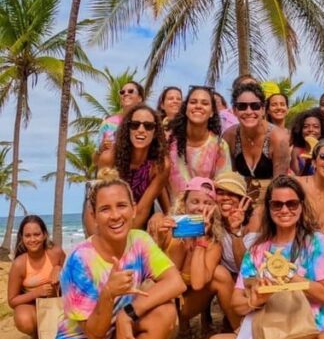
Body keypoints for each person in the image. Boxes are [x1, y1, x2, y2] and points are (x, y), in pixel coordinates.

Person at [25, 170, 185, 339]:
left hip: (115, 335)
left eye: (121, 206)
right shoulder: (80, 260)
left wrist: (127, 314)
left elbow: (175, 283)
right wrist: (108, 294)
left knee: (165, 313)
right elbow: (94, 334)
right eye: (105, 209)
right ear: (94, 217)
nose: (115, 216)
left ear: (133, 209)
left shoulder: (139, 241)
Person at [206, 176, 324, 339]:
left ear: (301, 207)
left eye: (291, 203)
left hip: (310, 332)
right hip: (269, 335)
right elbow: (236, 303)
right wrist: (254, 301)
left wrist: (291, 278)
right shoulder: (257, 250)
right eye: (277, 204)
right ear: (269, 208)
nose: (285, 210)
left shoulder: (316, 242)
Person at [151, 177, 225, 338]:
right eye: (195, 201)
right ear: (184, 204)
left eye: (208, 203)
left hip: (189, 306)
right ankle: (178, 325)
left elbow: (198, 284)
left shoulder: (213, 243)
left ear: (214, 208)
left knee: (219, 274)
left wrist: (200, 242)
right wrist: (159, 237)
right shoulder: (169, 230)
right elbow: (158, 277)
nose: (201, 207)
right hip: (165, 302)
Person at [94, 104, 170, 232]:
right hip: (107, 217)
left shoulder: (160, 165)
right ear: (127, 128)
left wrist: (124, 240)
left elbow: (142, 210)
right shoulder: (109, 158)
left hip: (138, 218)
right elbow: (98, 205)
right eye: (135, 124)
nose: (141, 129)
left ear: (155, 132)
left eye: (148, 126)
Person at [223, 82, 291, 197]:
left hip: (271, 201)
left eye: (255, 106)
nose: (249, 111)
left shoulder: (278, 138)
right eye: (242, 106)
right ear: (234, 110)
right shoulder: (230, 136)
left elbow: (280, 184)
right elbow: (230, 179)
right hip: (239, 200)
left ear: (263, 109)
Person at [167, 86, 231, 201]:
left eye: (205, 103)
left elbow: (222, 187)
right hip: (171, 214)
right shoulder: (169, 142)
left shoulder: (219, 146)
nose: (198, 106)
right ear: (185, 108)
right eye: (193, 102)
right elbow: (159, 181)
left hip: (204, 213)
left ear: (212, 112)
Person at [7, 216, 65, 339]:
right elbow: (12, 301)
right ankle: (40, 335)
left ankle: (54, 331)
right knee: (24, 320)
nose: (32, 239)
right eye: (27, 236)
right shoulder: (19, 264)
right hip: (33, 306)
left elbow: (74, 278)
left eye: (37, 234)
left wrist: (59, 269)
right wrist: (37, 293)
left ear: (44, 235)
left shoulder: (56, 253)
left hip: (59, 303)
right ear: (22, 238)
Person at [212, 172, 255, 331]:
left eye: (232, 194)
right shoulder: (212, 219)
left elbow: (246, 268)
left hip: (251, 282)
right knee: (217, 272)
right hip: (228, 281)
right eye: (220, 193)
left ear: (243, 199)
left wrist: (236, 230)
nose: (225, 198)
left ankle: (241, 329)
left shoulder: (253, 223)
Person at [94, 80, 144, 164]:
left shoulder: (147, 124)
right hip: (112, 174)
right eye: (122, 92)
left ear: (140, 98)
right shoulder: (108, 123)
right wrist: (101, 149)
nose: (126, 94)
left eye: (131, 91)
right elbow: (95, 161)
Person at [288, 108, 324, 176]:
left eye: (316, 127)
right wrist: (308, 162)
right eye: (306, 127)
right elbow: (298, 177)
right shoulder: (296, 151)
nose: (311, 130)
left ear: (321, 131)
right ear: (300, 130)